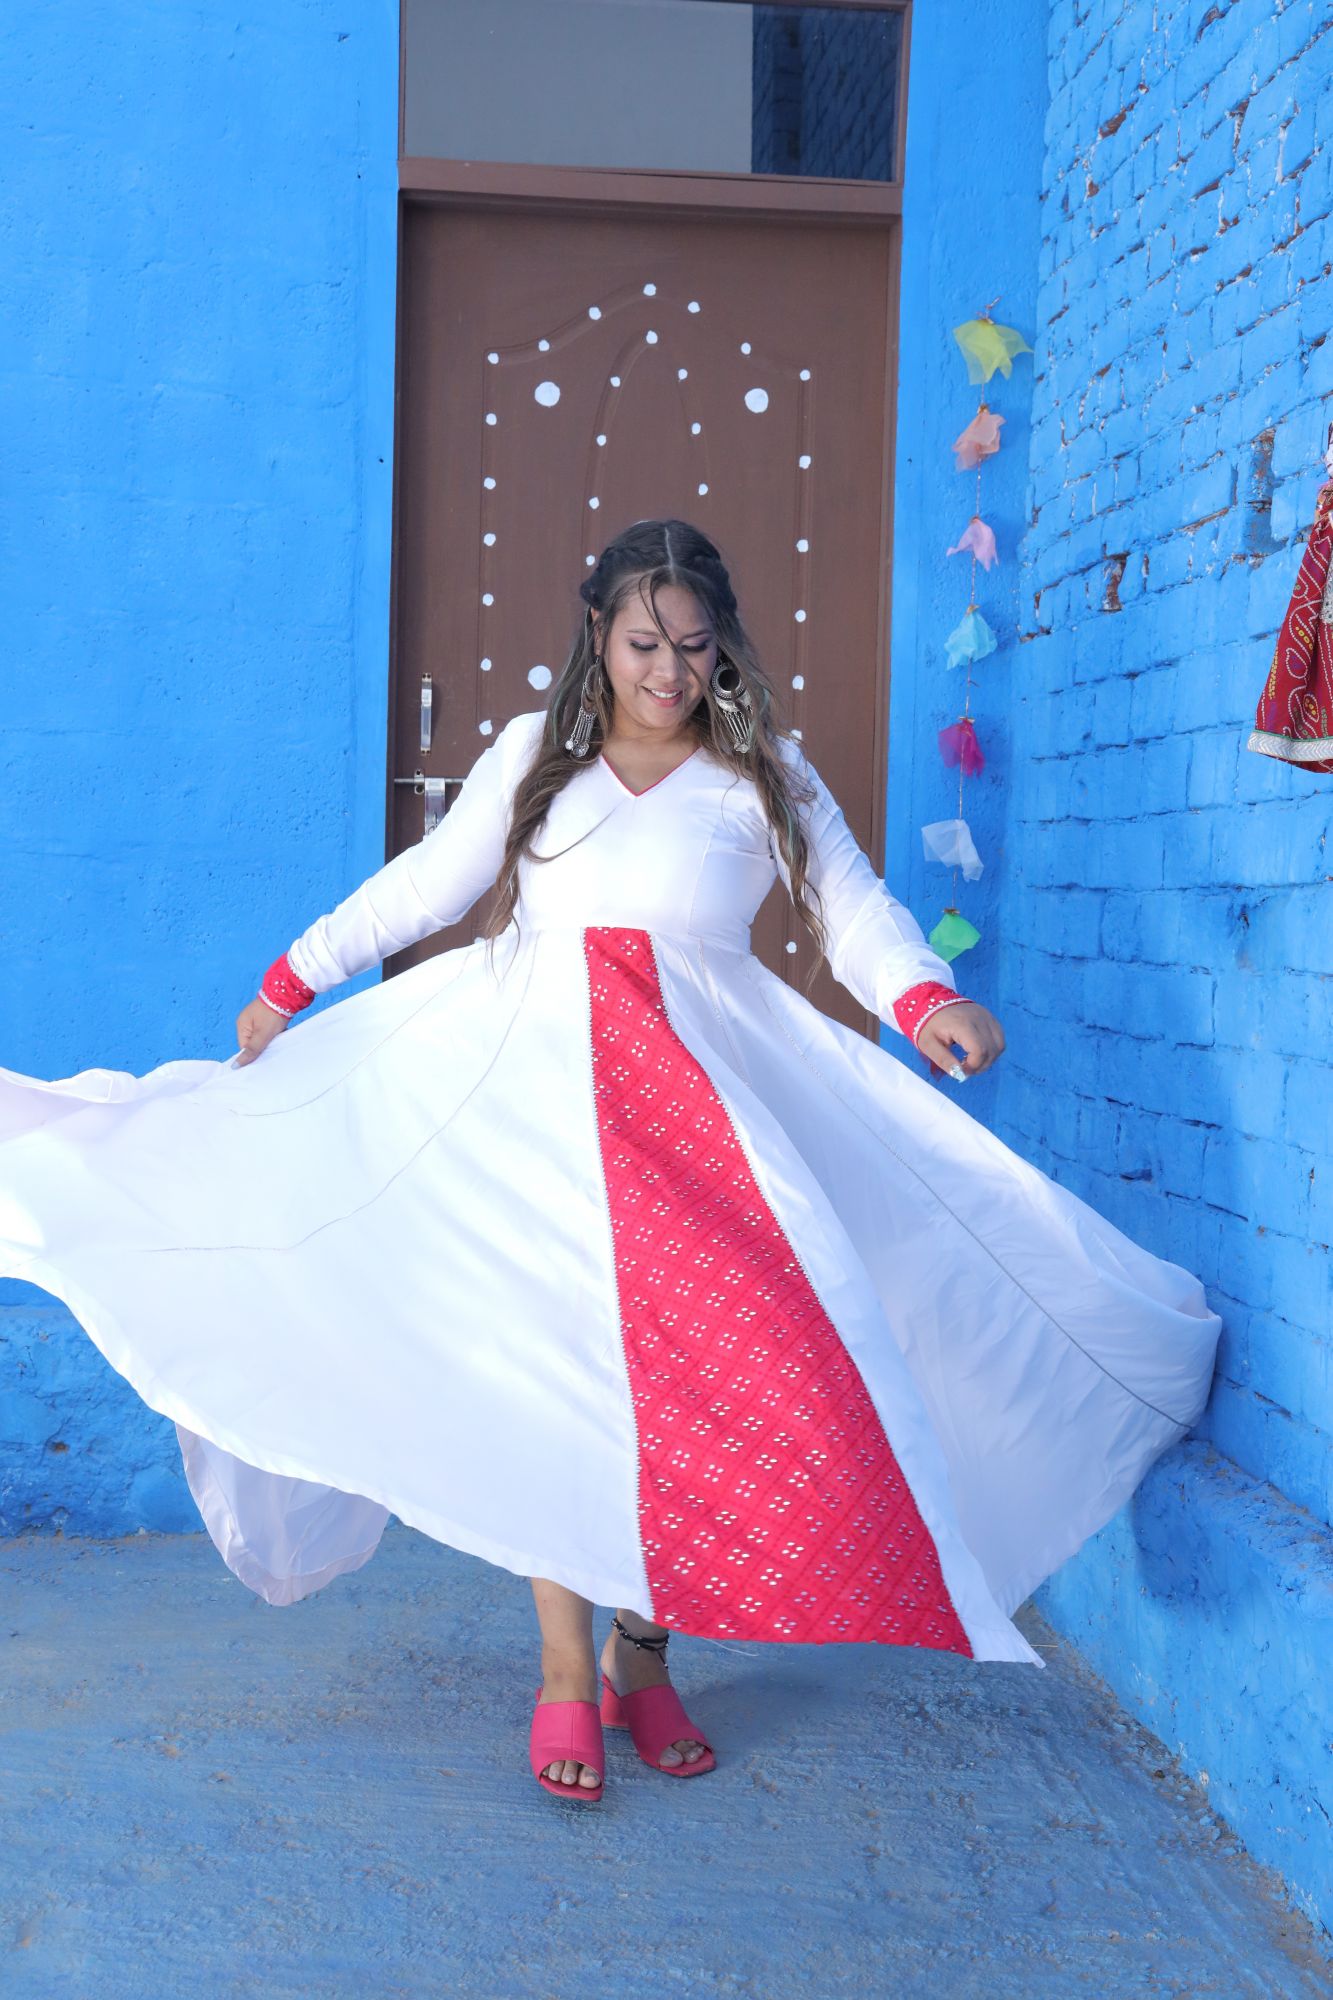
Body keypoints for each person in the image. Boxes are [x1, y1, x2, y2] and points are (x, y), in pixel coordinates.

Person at [0, 518, 1221, 1806]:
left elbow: (851, 909)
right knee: (561, 1383)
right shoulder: (536, 759)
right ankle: (565, 1675)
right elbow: (427, 885)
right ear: (598, 634)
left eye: (694, 649)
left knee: (714, 1383)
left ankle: (648, 1655)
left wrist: (925, 1002)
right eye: (645, 644)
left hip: (709, 1130)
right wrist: (291, 979)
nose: (668, 673)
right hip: (527, 1119)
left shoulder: (767, 778)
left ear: (722, 650)